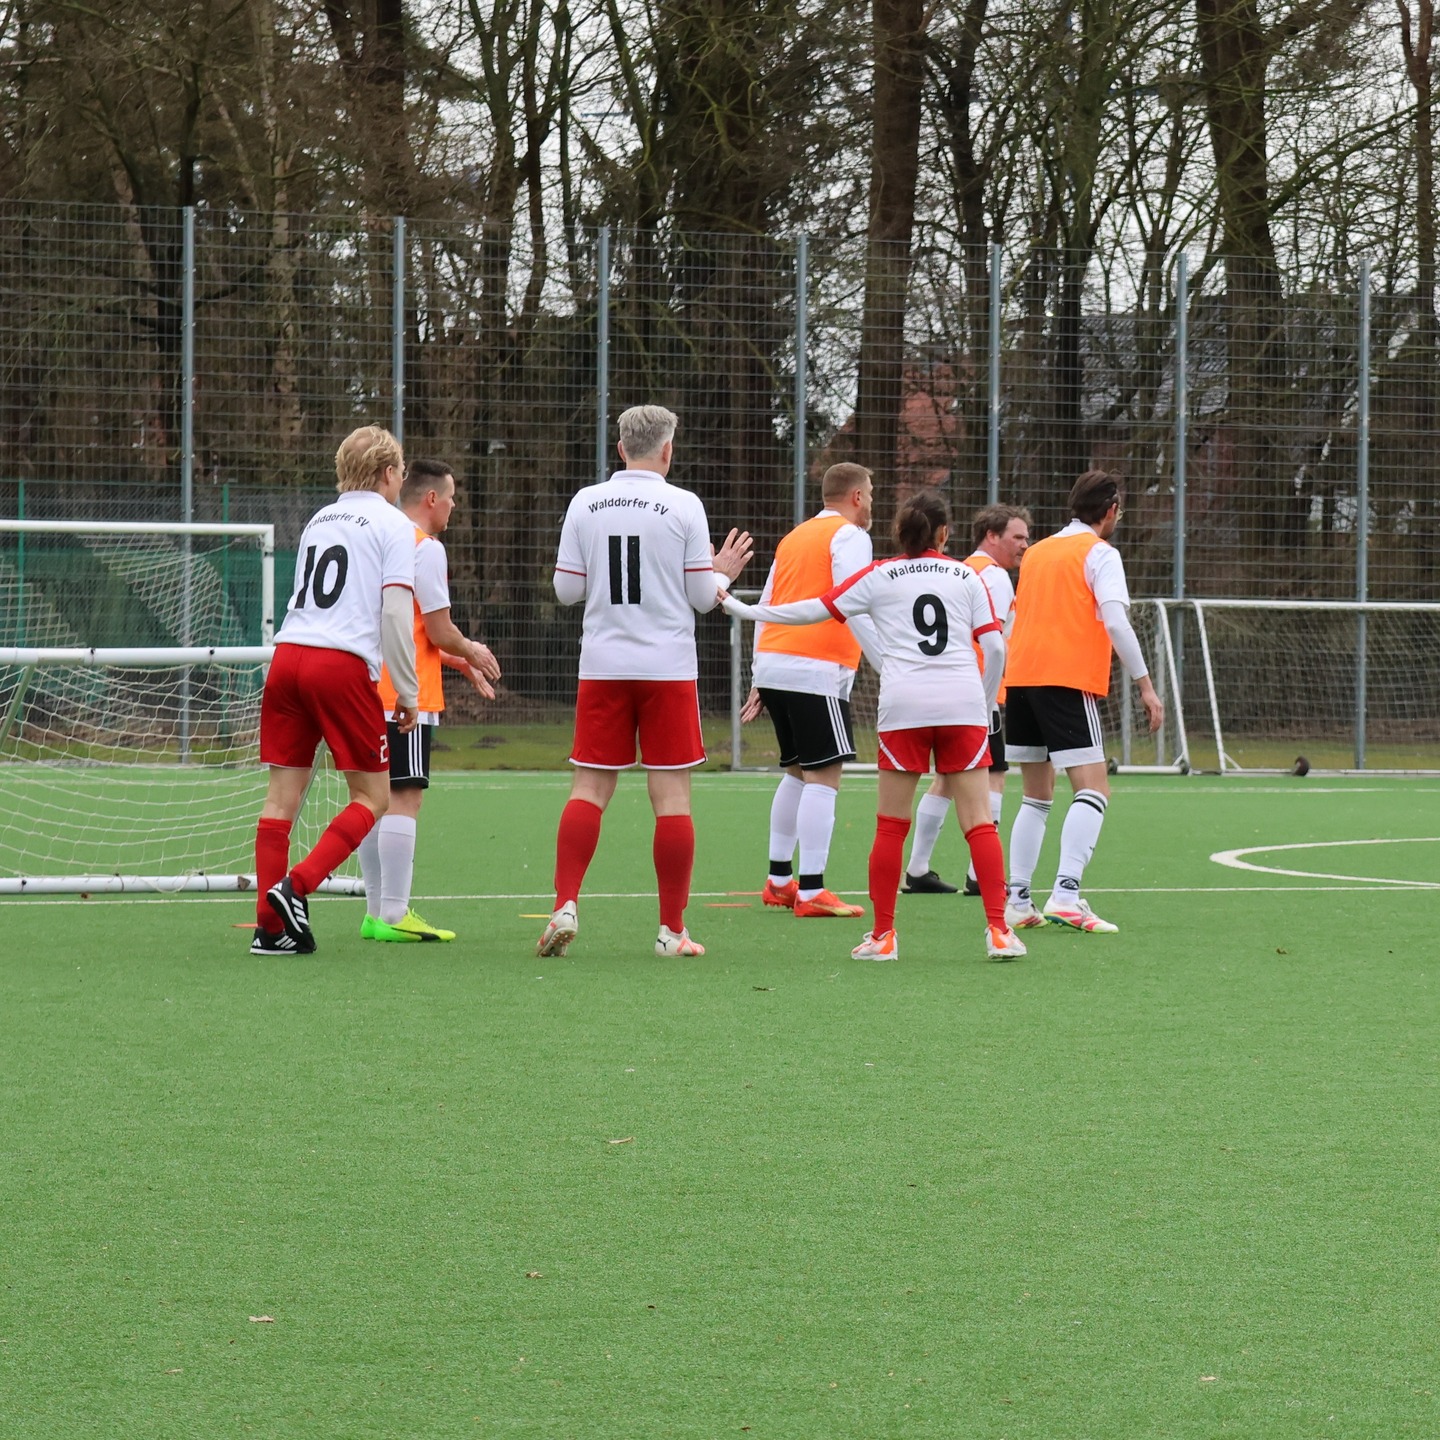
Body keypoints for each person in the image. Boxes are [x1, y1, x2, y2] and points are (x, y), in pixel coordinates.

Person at [722, 490, 1026, 963]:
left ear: (898, 533)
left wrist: (741, 608)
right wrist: (985, 706)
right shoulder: (968, 575)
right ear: (944, 534)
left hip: (904, 707)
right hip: (962, 705)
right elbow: (996, 648)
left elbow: (809, 609)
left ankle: (883, 937)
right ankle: (999, 931)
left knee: (890, 826)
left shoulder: (879, 575)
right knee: (979, 824)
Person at [537, 405, 753, 959]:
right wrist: (721, 573)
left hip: (603, 665)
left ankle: (564, 905)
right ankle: (671, 931)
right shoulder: (684, 505)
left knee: (589, 789)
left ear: (620, 449)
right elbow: (703, 599)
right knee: (672, 797)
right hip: (667, 669)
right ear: (667, 449)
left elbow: (566, 590)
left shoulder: (585, 501)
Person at [252, 425, 420, 956]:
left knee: (281, 799)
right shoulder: (395, 524)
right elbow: (395, 613)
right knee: (374, 796)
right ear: (389, 473)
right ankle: (296, 888)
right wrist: (407, 691)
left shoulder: (320, 519)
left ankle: (269, 929)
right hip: (339, 666)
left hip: (287, 658)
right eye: (400, 472)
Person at [1002, 469, 1164, 934]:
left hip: (1022, 678)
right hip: (1066, 680)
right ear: (1110, 510)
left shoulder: (1037, 552)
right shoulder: (1100, 553)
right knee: (1094, 790)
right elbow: (1115, 622)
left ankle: (1018, 900)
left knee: (1035, 797)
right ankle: (1067, 896)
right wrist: (1146, 685)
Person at [359, 458, 503, 943]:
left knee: (372, 799)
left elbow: (404, 628)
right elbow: (439, 629)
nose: (454, 506)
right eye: (452, 497)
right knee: (405, 797)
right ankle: (394, 913)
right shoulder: (426, 548)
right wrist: (471, 649)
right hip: (405, 697)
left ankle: (375, 913)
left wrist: (455, 660)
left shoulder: (378, 539)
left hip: (364, 688)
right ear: (431, 499)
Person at [741, 462, 882, 919]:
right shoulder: (851, 536)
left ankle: (780, 880)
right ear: (856, 497)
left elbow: (765, 606)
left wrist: (759, 672)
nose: (872, 502)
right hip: (815, 668)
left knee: (797, 772)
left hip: (777, 663)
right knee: (824, 775)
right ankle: (812, 890)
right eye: (870, 494)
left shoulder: (794, 537)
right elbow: (854, 601)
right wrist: (889, 665)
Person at [903, 504, 1030, 894]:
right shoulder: (993, 576)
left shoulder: (959, 570)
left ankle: (918, 868)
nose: (1025, 545)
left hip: (949, 686)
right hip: (978, 692)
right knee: (993, 775)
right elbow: (993, 642)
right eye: (1017, 537)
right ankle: (979, 874)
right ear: (991, 536)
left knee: (946, 778)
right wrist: (989, 699)